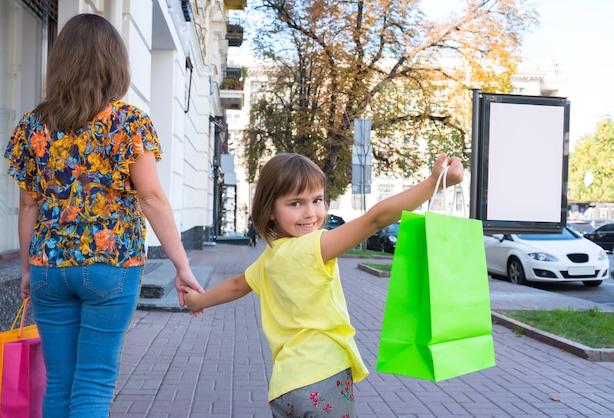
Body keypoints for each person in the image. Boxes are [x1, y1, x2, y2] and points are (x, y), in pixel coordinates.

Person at [3, 13, 204, 417]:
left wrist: (27, 270)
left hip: (48, 266)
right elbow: (151, 198)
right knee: (93, 381)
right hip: (111, 266)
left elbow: (28, 206)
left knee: (58, 383)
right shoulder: (128, 123)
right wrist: (182, 266)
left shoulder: (32, 126)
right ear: (114, 64)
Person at [181, 152, 463, 417]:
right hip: (324, 377)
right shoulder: (315, 246)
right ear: (269, 210)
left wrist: (196, 301)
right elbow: (375, 218)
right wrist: (434, 183)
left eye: (317, 200)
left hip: (285, 386)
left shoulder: (270, 259)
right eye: (295, 203)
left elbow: (236, 285)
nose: (310, 213)